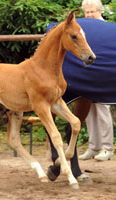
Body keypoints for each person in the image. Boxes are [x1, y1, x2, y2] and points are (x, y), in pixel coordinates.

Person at [79, 0, 114, 161]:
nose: (89, 15)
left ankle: (108, 148)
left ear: (100, 11)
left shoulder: (108, 29)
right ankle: (94, 147)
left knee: (102, 110)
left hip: (104, 75)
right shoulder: (82, 30)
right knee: (88, 112)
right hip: (87, 75)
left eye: (92, 11)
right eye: (87, 12)